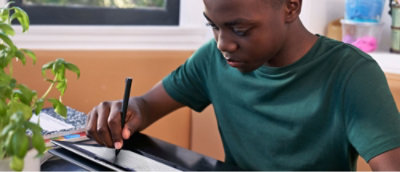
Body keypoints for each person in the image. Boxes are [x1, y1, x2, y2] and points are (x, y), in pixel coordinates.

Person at [85, 0, 400, 170]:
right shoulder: (212, 60)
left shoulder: (351, 74)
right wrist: (124, 112)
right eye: (214, 26)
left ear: (291, 6)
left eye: (239, 28)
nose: (224, 43)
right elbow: (146, 106)